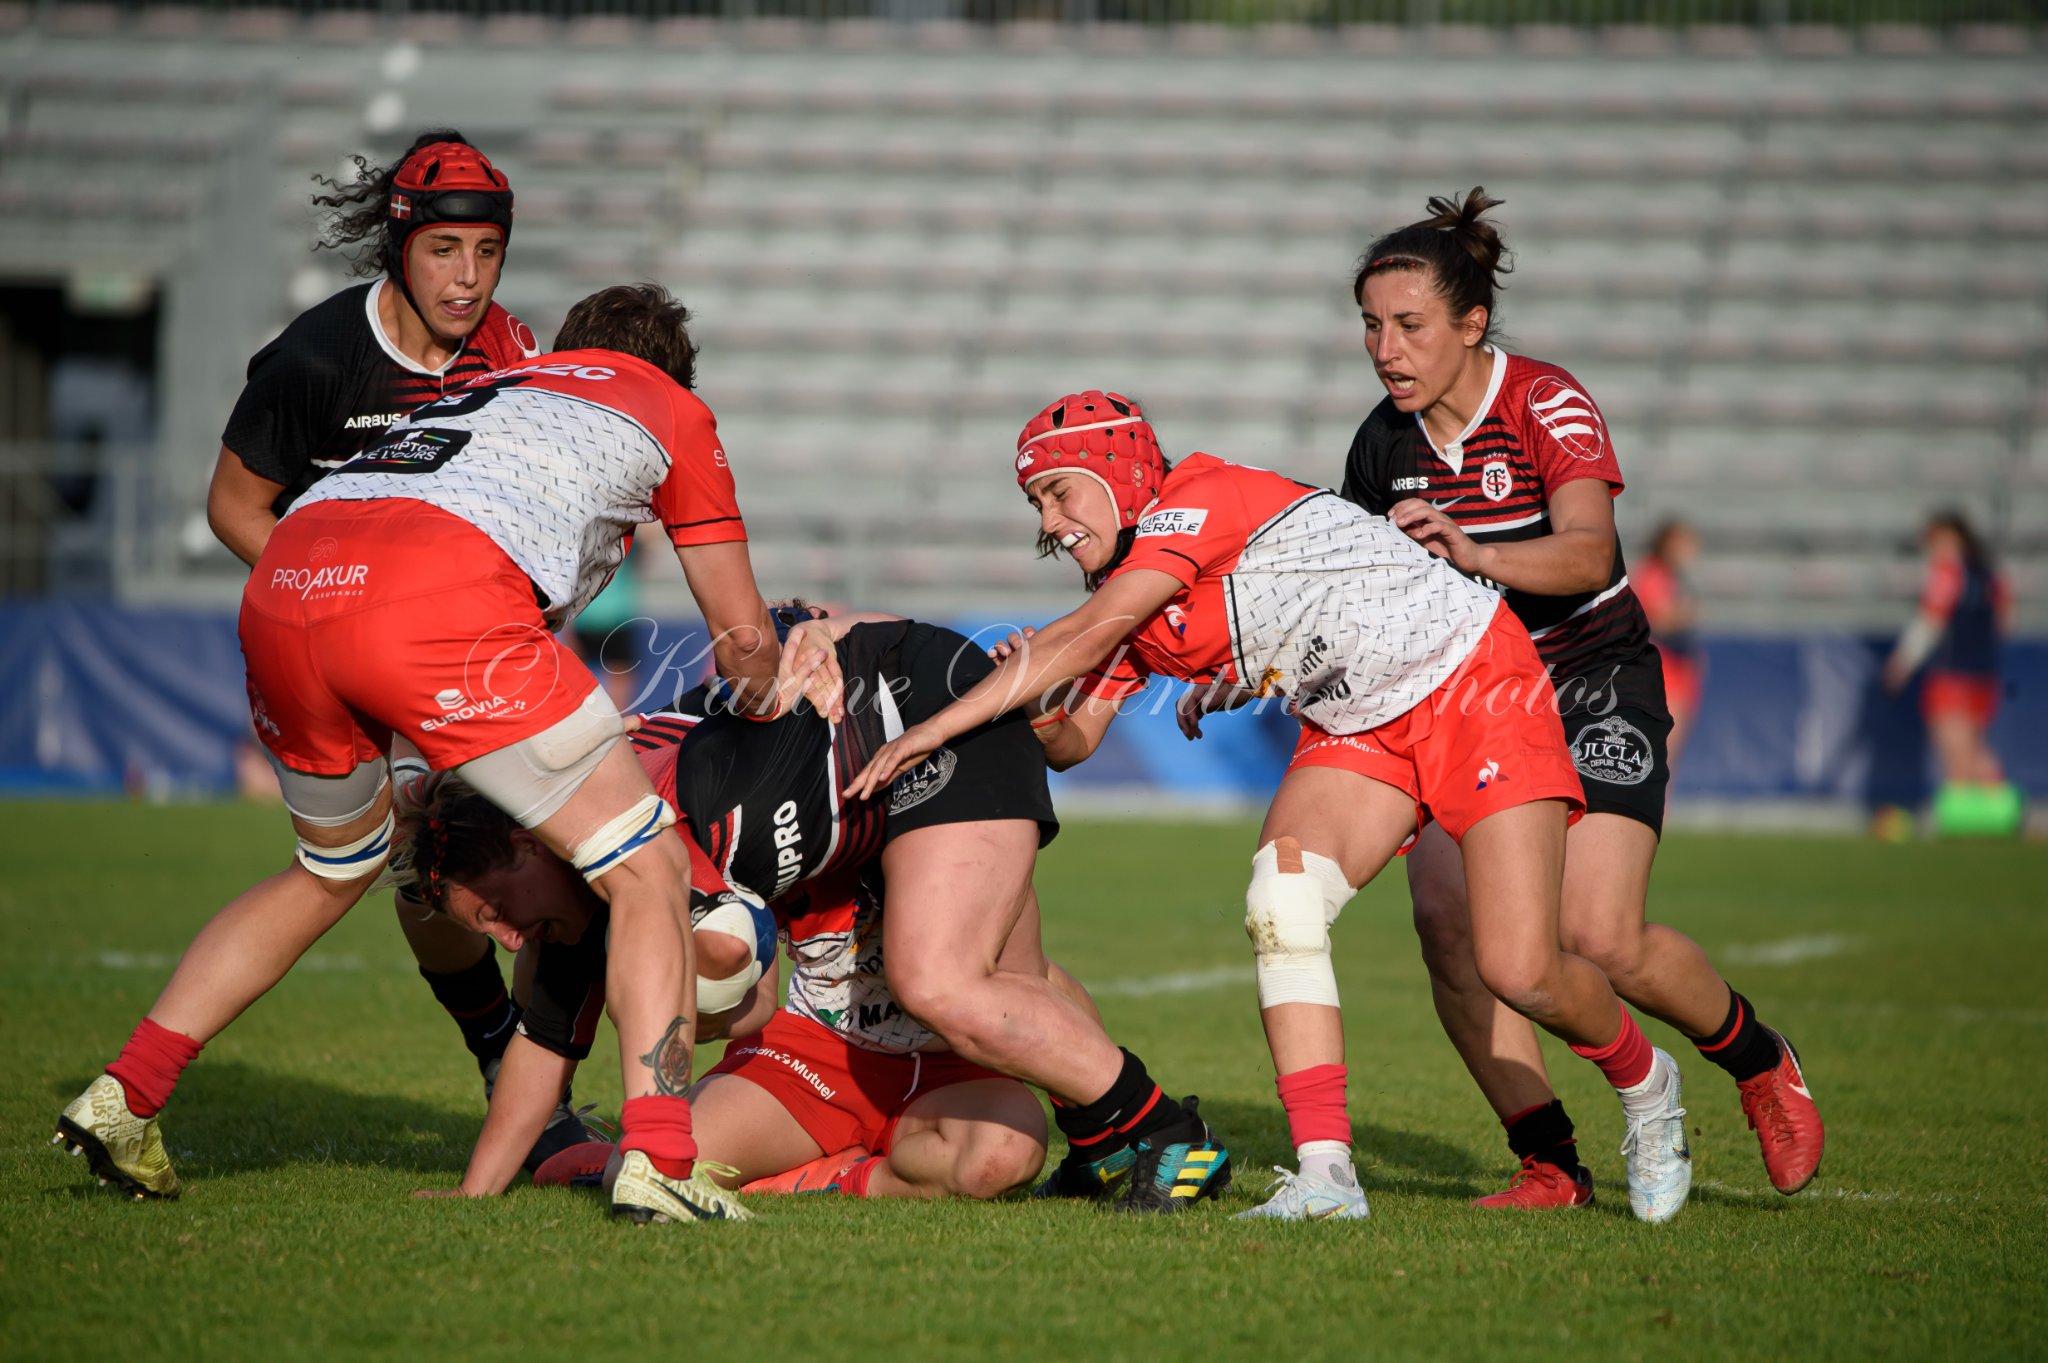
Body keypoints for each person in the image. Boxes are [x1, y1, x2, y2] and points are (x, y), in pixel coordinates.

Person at [53, 284, 822, 1227]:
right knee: (648, 866)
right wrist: (767, 704)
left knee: (330, 868)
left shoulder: (503, 381)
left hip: (291, 573)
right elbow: (741, 640)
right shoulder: (669, 407)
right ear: (674, 376)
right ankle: (660, 1158)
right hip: (433, 592)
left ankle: (127, 1093)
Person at [850, 388, 1672, 1224]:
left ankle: (1647, 1086)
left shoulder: (1193, 501)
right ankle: (1326, 1176)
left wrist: (933, 729)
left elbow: (1087, 630)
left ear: (1117, 470)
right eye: (1036, 503)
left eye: (1058, 491)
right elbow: (1075, 739)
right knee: (1283, 900)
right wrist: (1029, 700)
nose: (1049, 520)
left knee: (1521, 969)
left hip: (1473, 678)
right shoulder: (1126, 585)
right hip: (1361, 717)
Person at [1340, 190, 1822, 1217]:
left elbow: (1590, 554)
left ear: (1472, 322)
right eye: (1371, 325)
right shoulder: (1380, 443)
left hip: (1588, 678)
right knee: (1447, 927)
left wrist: (1472, 551)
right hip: (1467, 697)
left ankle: (1755, 1058)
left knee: (1598, 936)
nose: (1385, 349)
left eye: (1409, 325)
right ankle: (1550, 1161)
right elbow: (1354, 586)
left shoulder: (1544, 403)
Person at [204, 130, 560, 1149]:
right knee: (410, 859)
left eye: (487, 252)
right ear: (400, 249)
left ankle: (522, 1076)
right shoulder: (317, 359)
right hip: (339, 650)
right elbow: (234, 506)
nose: (468, 277)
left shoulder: (512, 351)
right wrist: (340, 603)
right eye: (445, 251)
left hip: (466, 647)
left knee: (485, 857)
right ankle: (515, 1068)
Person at [404, 703, 1053, 1205]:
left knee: (1002, 1158)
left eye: (494, 911)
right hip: (813, 1056)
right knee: (643, 1170)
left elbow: (1038, 985)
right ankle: (825, 1174)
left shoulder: (688, 812)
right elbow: (547, 1041)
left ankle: (826, 1168)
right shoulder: (592, 906)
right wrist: (474, 1192)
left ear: (526, 846)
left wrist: (1096, 1127)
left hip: (946, 1062)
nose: (509, 938)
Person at [1883, 510, 2020, 837]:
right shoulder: (1989, 576)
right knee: (1975, 749)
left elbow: (1931, 621)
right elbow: (2005, 622)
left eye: (1934, 541)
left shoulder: (1947, 573)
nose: (1931, 549)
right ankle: (2005, 814)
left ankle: (1958, 821)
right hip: (1983, 675)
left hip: (1952, 674)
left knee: (1955, 752)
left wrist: (1901, 663)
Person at [1631, 520, 1705, 768]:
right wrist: (1684, 613)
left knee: (1669, 750)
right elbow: (1660, 619)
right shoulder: (1653, 573)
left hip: (1678, 667)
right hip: (1663, 668)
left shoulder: (1675, 577)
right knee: (1660, 746)